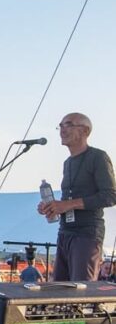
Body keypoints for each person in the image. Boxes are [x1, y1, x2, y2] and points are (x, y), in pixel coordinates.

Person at [39, 113, 116, 280]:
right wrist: (52, 207)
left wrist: (68, 205)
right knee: (59, 289)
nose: (62, 129)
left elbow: (110, 195)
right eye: (60, 125)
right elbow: (69, 199)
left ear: (85, 131)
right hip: (65, 231)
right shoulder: (68, 163)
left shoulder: (98, 157)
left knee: (81, 290)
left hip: (87, 232)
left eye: (68, 124)